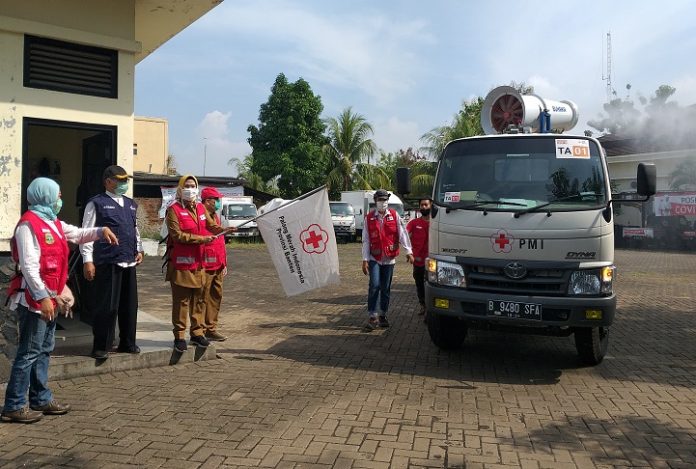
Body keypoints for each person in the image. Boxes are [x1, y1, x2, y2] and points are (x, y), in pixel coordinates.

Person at [2, 177, 118, 424]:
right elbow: (30, 268)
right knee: (29, 352)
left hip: (51, 297)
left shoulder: (51, 222)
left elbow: (75, 233)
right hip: (34, 299)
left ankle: (40, 398)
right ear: (44, 196)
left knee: (44, 350)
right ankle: (13, 404)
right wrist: (43, 297)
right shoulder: (28, 225)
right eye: (57, 195)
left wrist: (99, 231)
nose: (59, 199)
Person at [81, 165, 143, 360]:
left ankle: (127, 342)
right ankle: (101, 345)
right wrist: (87, 261)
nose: (124, 183)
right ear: (108, 181)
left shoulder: (131, 204)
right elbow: (87, 233)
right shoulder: (96, 203)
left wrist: (138, 248)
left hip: (128, 261)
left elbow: (134, 229)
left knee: (129, 305)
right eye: (120, 180)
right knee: (107, 306)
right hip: (107, 261)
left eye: (126, 180)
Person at [165, 175, 230, 352]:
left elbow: (210, 226)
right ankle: (179, 335)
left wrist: (224, 229)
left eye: (193, 186)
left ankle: (197, 333)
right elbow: (177, 235)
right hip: (182, 266)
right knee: (182, 302)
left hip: (200, 265)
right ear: (180, 188)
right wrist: (201, 239)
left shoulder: (201, 208)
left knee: (200, 300)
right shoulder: (174, 210)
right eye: (187, 186)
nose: (191, 189)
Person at [361, 189, 414, 331]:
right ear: (375, 201)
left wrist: (408, 251)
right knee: (374, 286)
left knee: (385, 288)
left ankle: (383, 314)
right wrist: (365, 259)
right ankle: (373, 316)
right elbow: (366, 240)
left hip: (389, 259)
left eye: (384, 200)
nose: (382, 203)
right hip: (375, 257)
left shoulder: (395, 216)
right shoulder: (369, 218)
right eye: (380, 200)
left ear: (387, 201)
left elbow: (402, 233)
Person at [200, 186, 233, 342]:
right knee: (202, 297)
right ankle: (199, 330)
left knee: (215, 296)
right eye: (217, 200)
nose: (219, 202)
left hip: (218, 264)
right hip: (205, 264)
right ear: (208, 201)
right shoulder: (201, 215)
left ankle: (211, 328)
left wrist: (224, 262)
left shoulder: (216, 216)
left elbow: (221, 241)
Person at [406, 198, 432, 317]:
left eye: (426, 205)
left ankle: (430, 307)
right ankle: (423, 305)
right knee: (419, 283)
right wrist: (409, 252)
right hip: (418, 261)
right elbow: (404, 236)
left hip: (432, 261)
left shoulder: (436, 223)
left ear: (431, 205)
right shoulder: (414, 223)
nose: (424, 207)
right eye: (422, 205)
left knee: (430, 284)